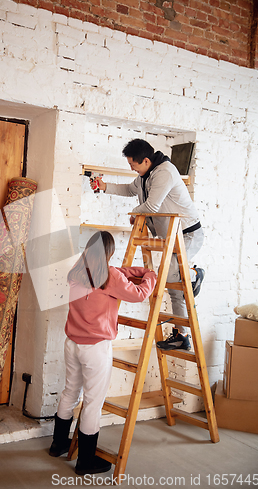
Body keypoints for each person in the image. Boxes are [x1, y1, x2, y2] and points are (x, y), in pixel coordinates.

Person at [49, 231, 156, 475]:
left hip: (72, 343)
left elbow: (116, 272)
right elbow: (140, 295)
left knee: (70, 391)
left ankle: (58, 444)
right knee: (93, 404)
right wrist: (151, 275)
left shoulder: (77, 270)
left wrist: (131, 271)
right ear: (109, 252)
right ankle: (85, 462)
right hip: (95, 348)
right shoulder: (111, 276)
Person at [91, 138, 205, 351]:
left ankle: (195, 275)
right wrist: (104, 187)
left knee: (172, 280)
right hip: (170, 236)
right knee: (174, 286)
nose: (131, 168)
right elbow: (129, 190)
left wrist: (136, 214)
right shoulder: (144, 175)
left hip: (188, 234)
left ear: (145, 160)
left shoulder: (164, 173)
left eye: (133, 164)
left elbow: (151, 206)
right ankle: (182, 334)